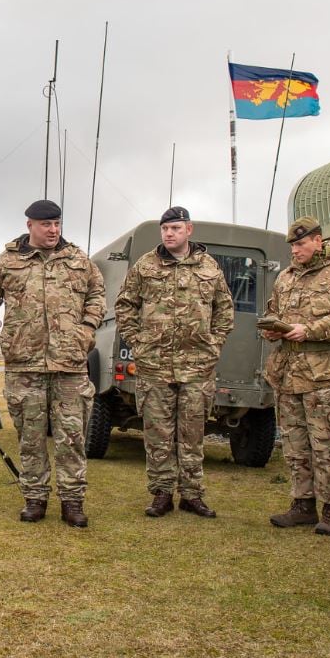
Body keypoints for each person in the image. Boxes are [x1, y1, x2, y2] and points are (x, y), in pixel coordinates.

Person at [0, 199, 105, 527]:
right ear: (30, 225)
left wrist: (87, 328)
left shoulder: (79, 261)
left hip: (69, 364)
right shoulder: (8, 261)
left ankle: (72, 501)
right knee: (30, 436)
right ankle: (35, 498)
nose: (53, 230)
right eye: (46, 225)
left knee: (71, 436)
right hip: (24, 364)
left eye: (57, 223)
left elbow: (98, 295)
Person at [114, 206, 234, 518]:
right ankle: (162, 494)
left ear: (189, 230)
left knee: (192, 434)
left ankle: (192, 495)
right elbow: (125, 305)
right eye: (165, 229)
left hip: (197, 368)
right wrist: (138, 341)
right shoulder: (145, 265)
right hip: (154, 366)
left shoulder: (209, 266)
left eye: (176, 228)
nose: (169, 233)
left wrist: (214, 344)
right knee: (157, 435)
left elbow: (224, 309)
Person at [260, 217, 330, 535]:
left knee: (325, 445)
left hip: (324, 377)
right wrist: (273, 327)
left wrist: (310, 330)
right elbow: (275, 310)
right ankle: (302, 505)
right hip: (288, 376)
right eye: (292, 245)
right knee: (295, 447)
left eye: (301, 243)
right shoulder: (286, 277)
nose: (295, 250)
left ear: (318, 241)